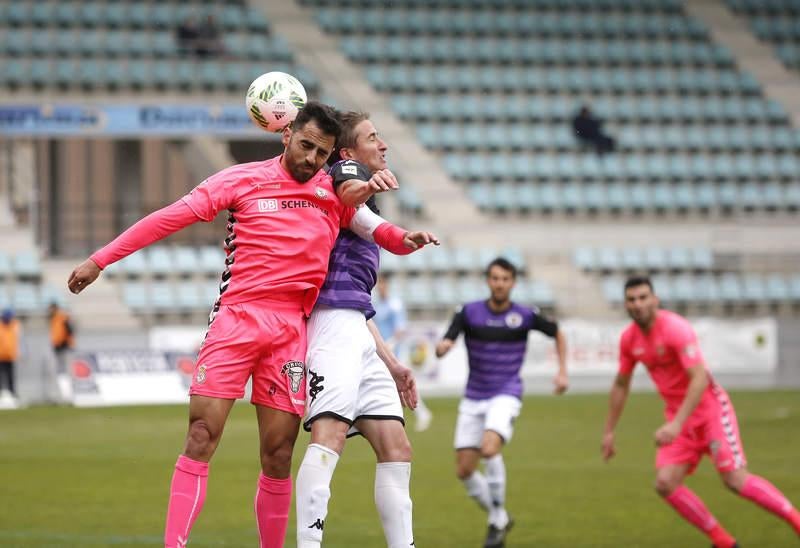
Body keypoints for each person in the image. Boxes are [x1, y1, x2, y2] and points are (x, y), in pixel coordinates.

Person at [67, 102, 436, 548]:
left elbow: (376, 228)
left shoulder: (331, 190)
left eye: (321, 153)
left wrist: (406, 238)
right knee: (202, 434)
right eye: (304, 146)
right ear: (286, 136)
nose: (310, 160)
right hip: (237, 319)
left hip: (290, 331)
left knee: (279, 454)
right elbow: (168, 218)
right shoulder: (240, 179)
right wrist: (100, 260)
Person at [296, 111, 439, 548]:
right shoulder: (339, 177)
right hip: (330, 328)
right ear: (347, 151)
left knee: (396, 447)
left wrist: (392, 363)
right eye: (373, 137)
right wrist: (371, 191)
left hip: (357, 328)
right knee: (330, 437)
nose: (383, 144)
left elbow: (360, 296)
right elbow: (348, 192)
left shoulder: (359, 202)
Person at [602, 276, 800, 548]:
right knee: (665, 483)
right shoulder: (629, 339)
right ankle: (724, 542)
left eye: (643, 297)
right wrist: (610, 431)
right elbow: (621, 384)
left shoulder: (675, 329)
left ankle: (797, 522)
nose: (638, 304)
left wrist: (676, 424)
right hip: (679, 418)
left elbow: (699, 379)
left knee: (734, 479)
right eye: (632, 299)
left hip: (710, 412)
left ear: (655, 300)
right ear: (625, 304)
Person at [435, 257, 569, 548]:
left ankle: (496, 519)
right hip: (473, 396)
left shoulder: (525, 315)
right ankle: (500, 516)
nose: (500, 283)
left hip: (506, 392)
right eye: (495, 278)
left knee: (489, 447)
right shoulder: (469, 312)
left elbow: (557, 332)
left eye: (505, 279)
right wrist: (443, 347)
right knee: (464, 471)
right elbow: (448, 339)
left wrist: (561, 371)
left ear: (513, 282)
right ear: (488, 280)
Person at [373, 273, 433, 431]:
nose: (380, 287)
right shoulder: (378, 305)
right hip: (381, 351)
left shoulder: (395, 304)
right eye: (378, 284)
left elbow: (401, 329)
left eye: (382, 284)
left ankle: (421, 412)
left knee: (402, 384)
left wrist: (391, 343)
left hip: (393, 352)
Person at [0, 308, 20, 400]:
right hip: (1, 356)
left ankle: (13, 396)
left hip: (10, 356)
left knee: (11, 377)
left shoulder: (14, 325)